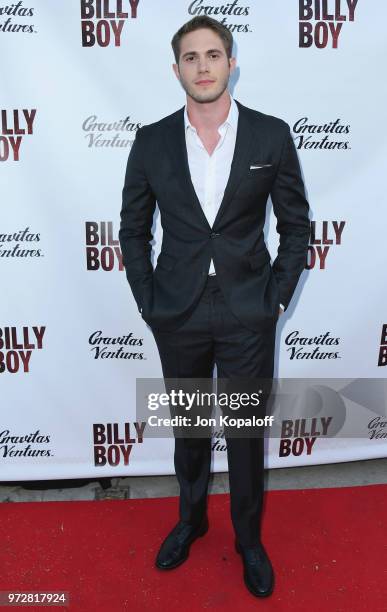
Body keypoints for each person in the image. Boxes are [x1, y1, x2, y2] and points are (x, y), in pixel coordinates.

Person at [119, 15, 310, 598]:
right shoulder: (151, 140)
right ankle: (192, 519)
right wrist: (149, 300)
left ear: (231, 62)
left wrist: (275, 297)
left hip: (248, 308)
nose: (202, 66)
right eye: (191, 57)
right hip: (177, 310)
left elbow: (296, 225)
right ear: (176, 68)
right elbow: (132, 228)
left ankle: (249, 539)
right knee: (191, 427)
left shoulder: (270, 135)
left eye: (212, 55)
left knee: (246, 431)